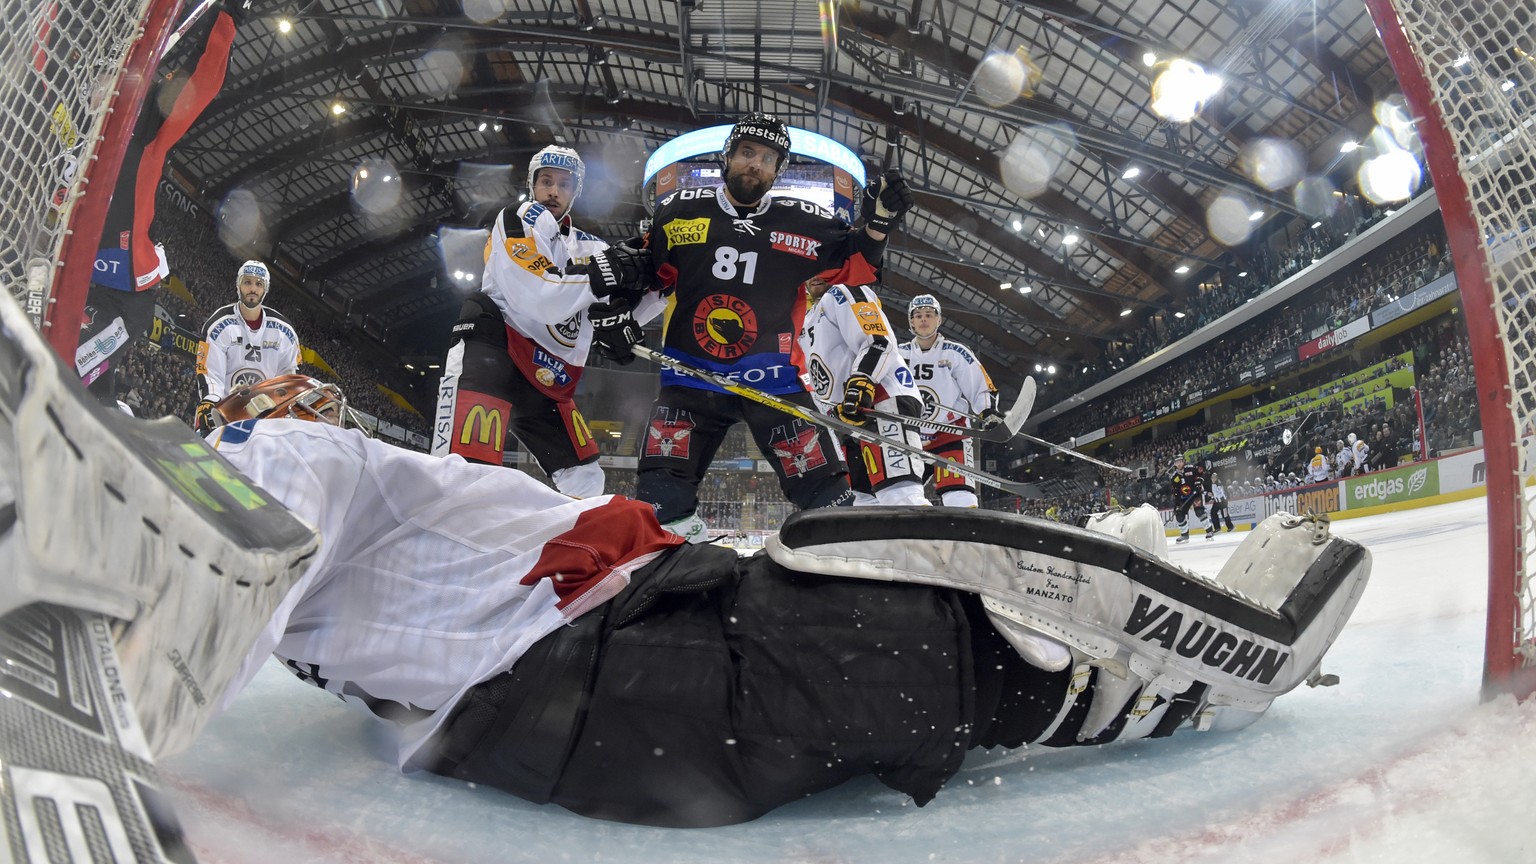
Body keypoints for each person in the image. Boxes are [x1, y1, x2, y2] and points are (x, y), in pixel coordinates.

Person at [1, 293, 1372, 833]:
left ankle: (1061, 653)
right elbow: (227, 547)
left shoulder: (319, 489)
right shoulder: (273, 457)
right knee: (886, 637)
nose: (303, 398)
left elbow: (240, 584)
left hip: (597, 672)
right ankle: (1113, 681)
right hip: (600, 668)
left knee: (849, 615)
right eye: (274, 390)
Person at [621, 112, 915, 540]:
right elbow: (649, 276)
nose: (755, 164)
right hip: (690, 378)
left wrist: (880, 223)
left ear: (778, 170)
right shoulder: (678, 211)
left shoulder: (804, 221)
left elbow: (859, 265)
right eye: (746, 152)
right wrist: (617, 318)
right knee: (657, 507)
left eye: (767, 158)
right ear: (728, 156)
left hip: (773, 381)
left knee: (829, 502)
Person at [432, 145, 663, 498]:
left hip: (548, 380)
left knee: (586, 480)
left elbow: (614, 304)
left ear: (576, 192)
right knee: (465, 471)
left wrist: (652, 291)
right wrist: (606, 274)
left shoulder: (592, 247)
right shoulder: (520, 216)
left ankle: (568, 550)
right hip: (496, 354)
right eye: (546, 181)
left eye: (565, 184)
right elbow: (540, 295)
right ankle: (439, 545)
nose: (554, 191)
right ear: (532, 185)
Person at [798, 276, 928, 506]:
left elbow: (879, 341)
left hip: (880, 400)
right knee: (861, 501)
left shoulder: (843, 292)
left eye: (826, 267)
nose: (817, 275)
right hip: (846, 417)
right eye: (812, 269)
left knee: (900, 495)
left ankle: (927, 542)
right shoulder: (806, 317)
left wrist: (862, 382)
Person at [897, 294, 1004, 508]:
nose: (923, 320)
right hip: (910, 436)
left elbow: (978, 383)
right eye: (918, 316)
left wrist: (988, 412)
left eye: (929, 315)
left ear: (939, 320)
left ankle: (966, 538)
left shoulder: (956, 353)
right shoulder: (898, 353)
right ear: (911, 321)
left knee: (959, 497)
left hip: (949, 433)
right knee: (902, 496)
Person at [194, 259, 301, 434]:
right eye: (247, 282)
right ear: (238, 285)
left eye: (259, 284)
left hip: (265, 420)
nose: (253, 289)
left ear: (265, 288)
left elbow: (288, 378)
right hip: (224, 413)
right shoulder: (218, 325)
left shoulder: (284, 331)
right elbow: (210, 374)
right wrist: (210, 403)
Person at [1169, 453, 1214, 542]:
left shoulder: (1191, 468)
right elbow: (1176, 492)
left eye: (1180, 462)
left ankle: (1209, 531)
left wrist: (1198, 481)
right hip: (1183, 497)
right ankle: (1184, 535)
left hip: (1195, 494)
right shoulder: (1174, 477)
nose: (1179, 464)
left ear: (1183, 462)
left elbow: (1202, 473)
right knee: (1179, 515)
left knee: (1199, 512)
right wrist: (1177, 505)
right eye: (1177, 462)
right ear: (1174, 464)